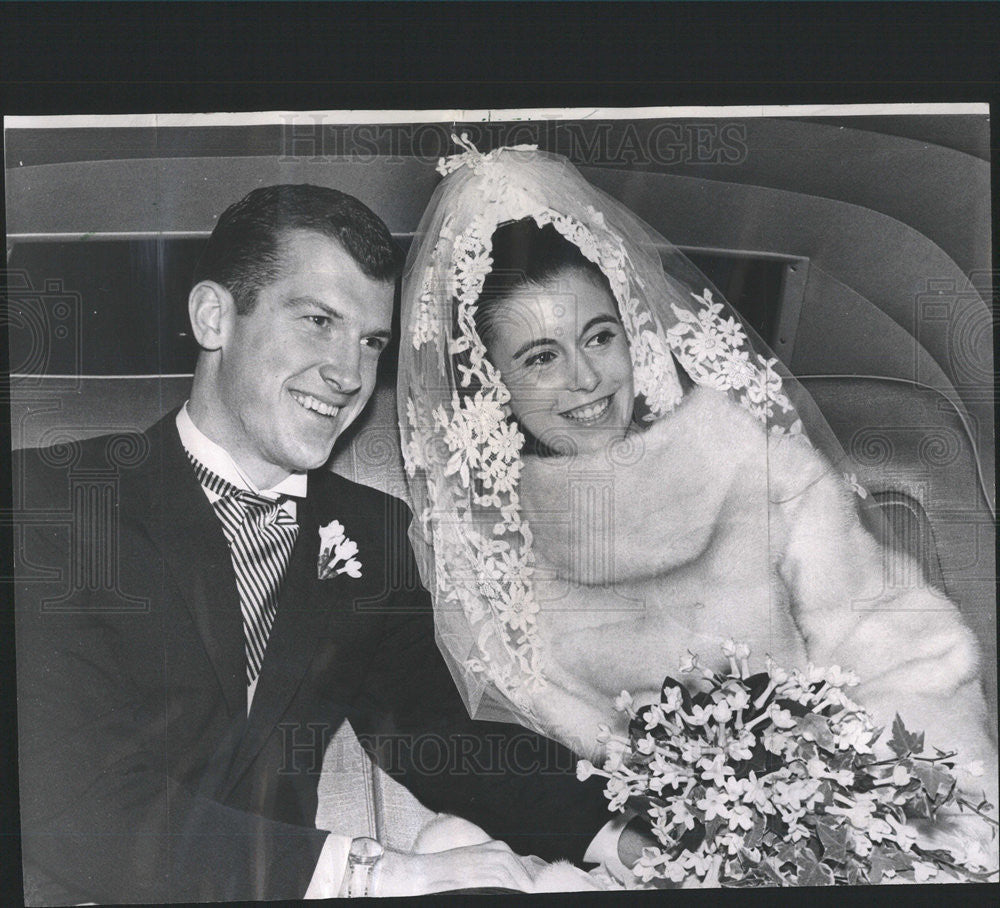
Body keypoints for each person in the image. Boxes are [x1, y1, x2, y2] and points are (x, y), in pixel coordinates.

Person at [397, 142, 998, 873]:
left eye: (599, 336)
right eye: (541, 357)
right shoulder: (481, 538)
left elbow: (899, 644)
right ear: (493, 383)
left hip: (854, 800)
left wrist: (905, 800)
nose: (587, 380)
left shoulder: (746, 455)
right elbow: (529, 759)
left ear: (633, 333)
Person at [12, 184, 620, 904]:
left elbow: (438, 737)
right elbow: (74, 802)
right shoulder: (44, 501)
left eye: (371, 342)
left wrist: (617, 833)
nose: (349, 375)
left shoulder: (372, 530)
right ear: (214, 317)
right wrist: (378, 871)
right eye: (317, 321)